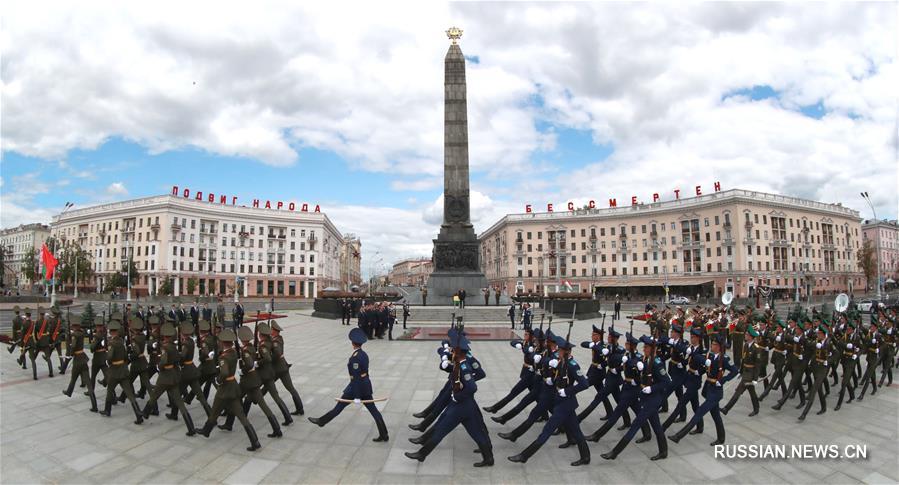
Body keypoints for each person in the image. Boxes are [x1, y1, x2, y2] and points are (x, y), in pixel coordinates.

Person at [405, 333, 493, 467]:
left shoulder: (465, 368)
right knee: (476, 432)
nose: (451, 351)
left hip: (461, 406)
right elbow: (453, 371)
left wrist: (458, 396)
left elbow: (472, 387)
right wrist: (446, 366)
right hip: (461, 405)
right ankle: (489, 458)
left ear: (458, 352)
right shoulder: (459, 364)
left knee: (441, 429)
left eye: (452, 350)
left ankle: (422, 454)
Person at [508, 334, 590, 466]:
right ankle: (586, 457)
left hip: (566, 403)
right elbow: (551, 369)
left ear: (566, 352)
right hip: (562, 403)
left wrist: (568, 391)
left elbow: (584, 384)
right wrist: (552, 380)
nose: (558, 351)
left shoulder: (573, 365)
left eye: (561, 350)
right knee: (576, 431)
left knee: (546, 431)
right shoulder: (561, 362)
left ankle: (524, 456)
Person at [308, 328, 389, 442]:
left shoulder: (355, 358)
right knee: (374, 411)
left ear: (352, 343)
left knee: (339, 407)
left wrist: (356, 396)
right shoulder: (363, 354)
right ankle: (384, 434)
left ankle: (322, 421)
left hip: (356, 388)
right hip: (365, 387)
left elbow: (356, 379)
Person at [600, 335, 670, 461]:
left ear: (653, 349)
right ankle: (664, 451)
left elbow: (666, 381)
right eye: (644, 347)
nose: (644, 349)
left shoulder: (657, 363)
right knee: (657, 426)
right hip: (646, 398)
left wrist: (652, 388)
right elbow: (635, 366)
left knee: (635, 424)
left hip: (653, 399)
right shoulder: (645, 359)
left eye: (646, 347)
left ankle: (615, 452)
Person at [195, 328, 262, 451]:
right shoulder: (233, 353)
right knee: (241, 416)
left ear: (222, 342)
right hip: (234, 386)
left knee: (215, 411)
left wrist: (219, 379)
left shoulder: (223, 357)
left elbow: (224, 372)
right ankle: (255, 440)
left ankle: (206, 430)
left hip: (225, 388)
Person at [668, 336, 737, 445]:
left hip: (716, 392)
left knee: (699, 413)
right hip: (709, 389)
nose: (711, 346)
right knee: (716, 416)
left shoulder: (724, 359)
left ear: (719, 347)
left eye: (714, 344)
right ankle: (721, 437)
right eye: (712, 344)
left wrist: (723, 380)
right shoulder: (709, 355)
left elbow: (735, 371)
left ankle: (678, 436)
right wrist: (700, 359)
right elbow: (697, 357)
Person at [219, 326, 282, 438]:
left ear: (242, 339)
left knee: (235, 399)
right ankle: (277, 429)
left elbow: (249, 364)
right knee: (262, 405)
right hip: (253, 380)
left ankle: (230, 423)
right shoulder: (251, 347)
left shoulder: (246, 349)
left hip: (247, 381)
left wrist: (242, 370)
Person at [139, 322, 196, 435]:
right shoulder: (174, 347)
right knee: (180, 403)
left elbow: (163, 362)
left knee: (154, 395)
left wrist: (158, 366)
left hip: (165, 377)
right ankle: (191, 427)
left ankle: (144, 413)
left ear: (165, 336)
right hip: (174, 376)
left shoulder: (166, 347)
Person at [99, 318, 145, 425]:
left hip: (115, 372)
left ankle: (107, 410)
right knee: (129, 394)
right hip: (123, 370)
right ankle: (138, 414)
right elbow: (125, 356)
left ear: (111, 331)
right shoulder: (121, 341)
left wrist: (107, 358)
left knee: (110, 391)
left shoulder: (112, 343)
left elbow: (109, 358)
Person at [482, 329, 536, 414]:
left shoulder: (533, 346)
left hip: (530, 374)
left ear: (532, 336)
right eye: (524, 334)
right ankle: (545, 415)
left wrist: (523, 347)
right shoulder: (526, 343)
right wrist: (518, 344)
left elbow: (528, 351)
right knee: (536, 395)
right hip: (526, 372)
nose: (524, 336)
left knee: (514, 392)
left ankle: (495, 407)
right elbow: (512, 342)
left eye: (526, 335)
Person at [721, 326, 761, 417]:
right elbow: (743, 360)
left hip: (750, 373)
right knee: (752, 392)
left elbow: (758, 365)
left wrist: (755, 378)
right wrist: (741, 371)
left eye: (747, 334)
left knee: (738, 391)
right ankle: (756, 408)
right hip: (745, 371)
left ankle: (726, 409)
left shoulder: (756, 348)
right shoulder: (746, 345)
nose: (745, 335)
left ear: (751, 336)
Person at [61, 318, 99, 413]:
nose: (72, 328)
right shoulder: (81, 333)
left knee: (73, 378)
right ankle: (94, 405)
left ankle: (69, 391)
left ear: (75, 326)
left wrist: (70, 354)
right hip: (83, 358)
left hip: (77, 359)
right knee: (89, 384)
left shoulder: (74, 335)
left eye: (73, 326)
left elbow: (73, 346)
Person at [270, 321, 305, 415]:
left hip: (278, 369)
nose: (270, 330)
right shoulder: (278, 338)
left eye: (271, 329)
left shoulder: (276, 341)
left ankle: (256, 399)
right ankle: (300, 409)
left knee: (268, 384)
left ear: (274, 331)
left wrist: (269, 358)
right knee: (291, 388)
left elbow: (277, 353)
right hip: (283, 367)